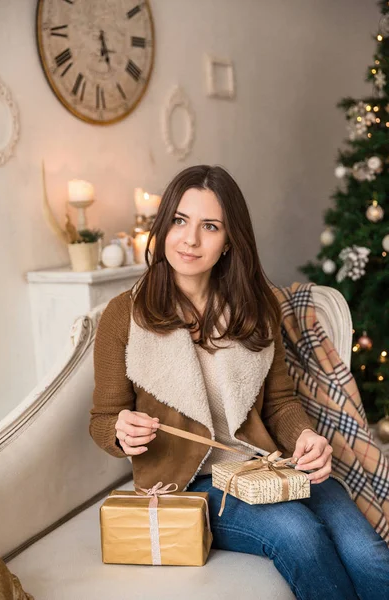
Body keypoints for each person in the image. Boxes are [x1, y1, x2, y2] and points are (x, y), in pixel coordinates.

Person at [90, 165, 389, 600]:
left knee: (369, 554)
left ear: (229, 240)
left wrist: (305, 436)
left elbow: (281, 401)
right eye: (179, 220)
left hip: (266, 468)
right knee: (300, 536)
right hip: (191, 484)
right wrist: (120, 431)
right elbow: (102, 419)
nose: (190, 240)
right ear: (163, 225)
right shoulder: (124, 315)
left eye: (209, 226)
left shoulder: (255, 306)